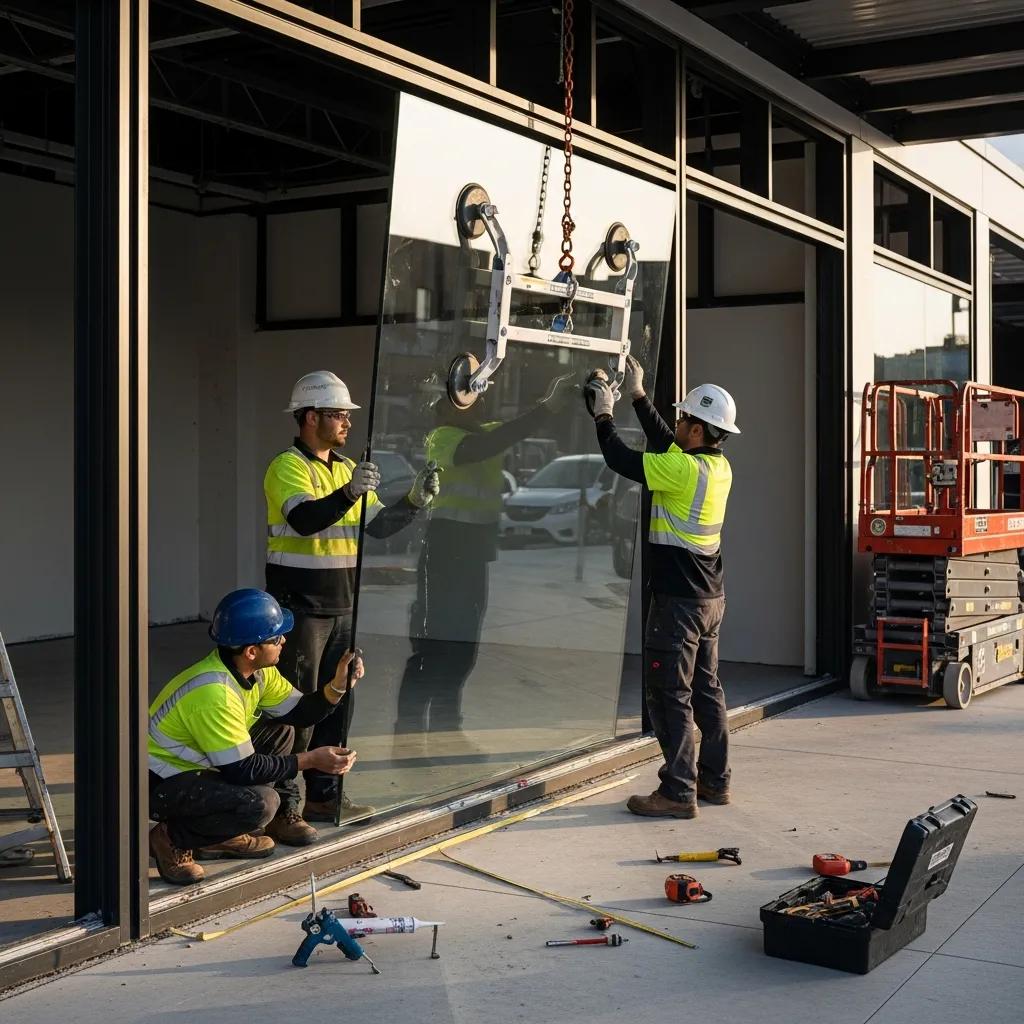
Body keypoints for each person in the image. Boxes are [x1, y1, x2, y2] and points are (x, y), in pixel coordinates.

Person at [263, 370, 439, 844]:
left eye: (346, 416)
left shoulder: (344, 469)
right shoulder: (288, 467)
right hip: (300, 608)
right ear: (310, 417)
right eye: (338, 415)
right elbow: (303, 521)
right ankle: (286, 808)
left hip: (341, 605)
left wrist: (414, 501)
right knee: (297, 709)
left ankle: (325, 796)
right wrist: (348, 493)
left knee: (337, 705)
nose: (345, 423)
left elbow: (378, 527)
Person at [587, 355, 740, 819]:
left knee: (668, 694)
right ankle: (715, 781)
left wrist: (603, 413)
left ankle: (677, 791)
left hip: (678, 604)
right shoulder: (716, 468)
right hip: (710, 598)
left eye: (683, 418)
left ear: (697, 430)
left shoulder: (682, 472)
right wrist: (637, 396)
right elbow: (666, 443)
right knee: (706, 689)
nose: (676, 423)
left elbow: (619, 458)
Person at [393, 374, 575, 746]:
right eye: (467, 395)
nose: (476, 401)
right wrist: (547, 405)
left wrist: (556, 402)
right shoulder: (441, 437)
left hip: (474, 553)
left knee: (463, 649)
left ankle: (446, 728)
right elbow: (484, 445)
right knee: (433, 648)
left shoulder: (487, 433)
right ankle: (408, 734)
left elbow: (509, 431)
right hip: (444, 550)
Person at [147, 589, 364, 885]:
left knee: (280, 732)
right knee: (261, 804)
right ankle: (172, 838)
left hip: (198, 768)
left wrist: (338, 685)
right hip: (158, 783)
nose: (284, 641)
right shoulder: (214, 692)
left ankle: (219, 834)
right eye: (276, 638)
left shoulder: (256, 671)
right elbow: (242, 769)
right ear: (251, 650)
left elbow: (300, 712)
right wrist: (311, 760)